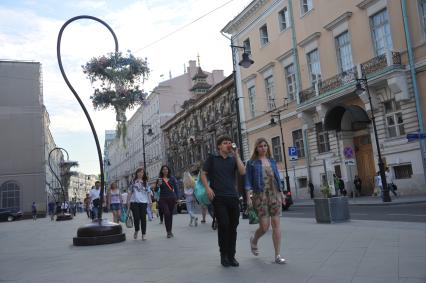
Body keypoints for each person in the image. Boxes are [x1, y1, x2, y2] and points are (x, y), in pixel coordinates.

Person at [201, 135, 245, 267]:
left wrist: (237, 155)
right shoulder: (213, 159)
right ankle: (224, 255)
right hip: (219, 198)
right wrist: (208, 188)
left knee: (233, 226)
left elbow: (242, 172)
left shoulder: (233, 160)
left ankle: (232, 256)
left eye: (229, 143)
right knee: (224, 225)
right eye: (225, 143)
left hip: (233, 197)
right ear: (219, 146)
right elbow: (203, 173)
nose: (228, 145)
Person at [245, 137, 286, 264]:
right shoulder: (251, 163)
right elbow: (247, 181)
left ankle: (277, 255)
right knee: (264, 227)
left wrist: (282, 193)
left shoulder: (272, 161)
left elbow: (277, 178)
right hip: (260, 196)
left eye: (265, 145)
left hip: (274, 195)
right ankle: (254, 239)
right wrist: (248, 198)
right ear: (256, 148)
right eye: (260, 146)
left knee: (276, 225)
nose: (263, 148)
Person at [154, 165, 179, 238]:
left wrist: (178, 198)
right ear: (162, 171)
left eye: (166, 169)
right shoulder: (159, 179)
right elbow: (155, 190)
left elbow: (176, 188)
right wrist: (158, 185)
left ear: (168, 170)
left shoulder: (172, 178)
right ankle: (168, 231)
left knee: (170, 215)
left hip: (171, 198)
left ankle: (170, 231)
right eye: (164, 169)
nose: (165, 171)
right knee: (166, 213)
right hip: (163, 199)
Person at [127, 168, 151, 241]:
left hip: (143, 202)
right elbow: (130, 192)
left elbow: (148, 192)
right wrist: (128, 201)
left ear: (143, 174)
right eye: (139, 172)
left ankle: (143, 234)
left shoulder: (145, 182)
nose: (141, 174)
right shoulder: (133, 182)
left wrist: (150, 201)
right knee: (136, 218)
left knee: (143, 218)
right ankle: (136, 230)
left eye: (142, 172)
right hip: (134, 202)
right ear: (136, 173)